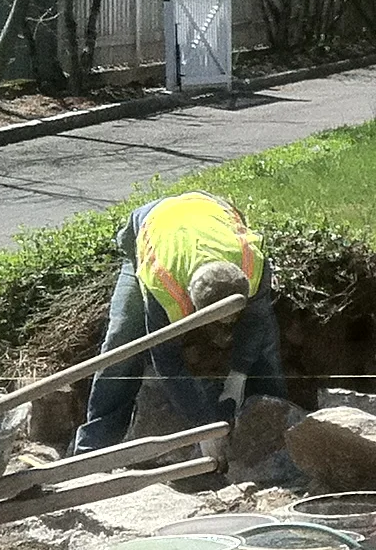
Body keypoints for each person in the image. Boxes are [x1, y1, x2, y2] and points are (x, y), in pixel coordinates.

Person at [73, 191, 288, 452]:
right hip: (150, 226)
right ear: (193, 306)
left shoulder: (250, 264)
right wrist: (204, 425)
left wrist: (237, 377)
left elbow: (256, 321)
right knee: (123, 340)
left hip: (210, 206)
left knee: (264, 341)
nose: (228, 327)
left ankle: (277, 431)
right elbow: (166, 360)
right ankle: (94, 447)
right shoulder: (165, 284)